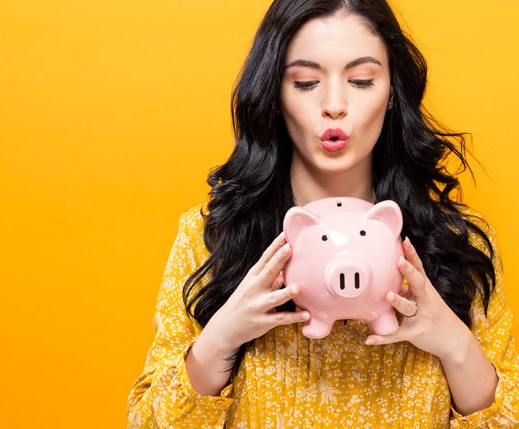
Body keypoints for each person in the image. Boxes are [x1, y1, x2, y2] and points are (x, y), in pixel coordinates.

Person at [126, 0, 519, 427]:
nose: (334, 104)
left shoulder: (458, 242)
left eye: (362, 80)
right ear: (275, 96)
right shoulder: (213, 237)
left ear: (392, 94)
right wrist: (221, 338)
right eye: (307, 82)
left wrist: (456, 344)